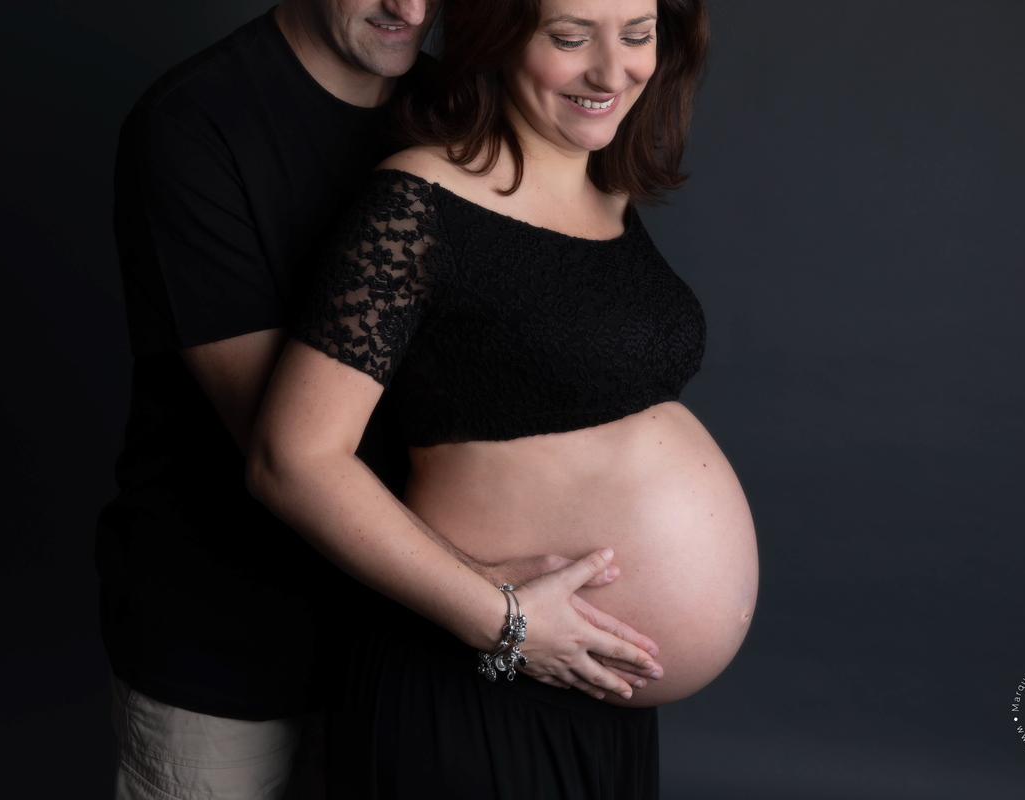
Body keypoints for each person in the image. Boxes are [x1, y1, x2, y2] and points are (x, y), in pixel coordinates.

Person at [97, 1, 658, 797]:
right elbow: (289, 449)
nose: (408, 7)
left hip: (418, 648)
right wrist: (502, 610)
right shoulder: (195, 124)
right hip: (233, 640)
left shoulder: (454, 104)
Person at [246, 0, 760, 796]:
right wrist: (508, 621)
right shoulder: (417, 201)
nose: (610, 69)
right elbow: (293, 459)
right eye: (568, 36)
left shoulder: (606, 197)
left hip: (601, 698)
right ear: (497, 36)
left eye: (637, 34)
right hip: (481, 681)